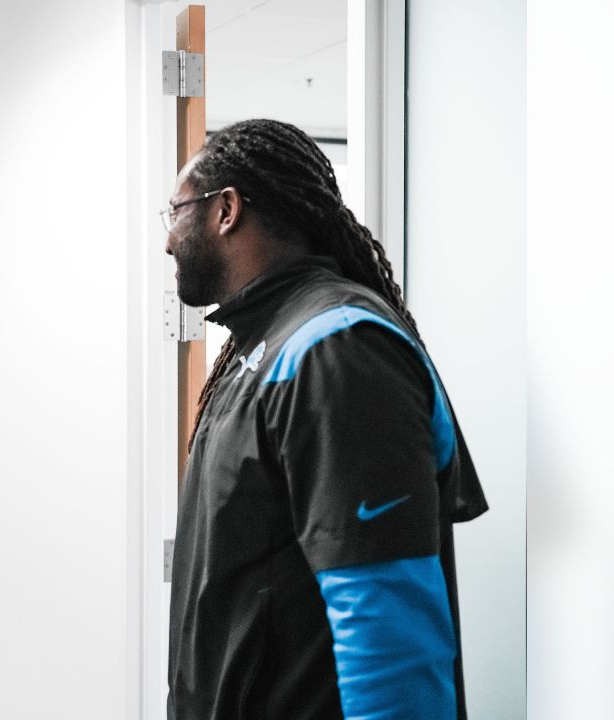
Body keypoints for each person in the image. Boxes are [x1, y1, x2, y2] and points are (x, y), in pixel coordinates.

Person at [162, 119, 490, 720]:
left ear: (225, 210)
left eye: (175, 212)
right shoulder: (260, 343)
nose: (167, 240)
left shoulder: (337, 349)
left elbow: (386, 629)